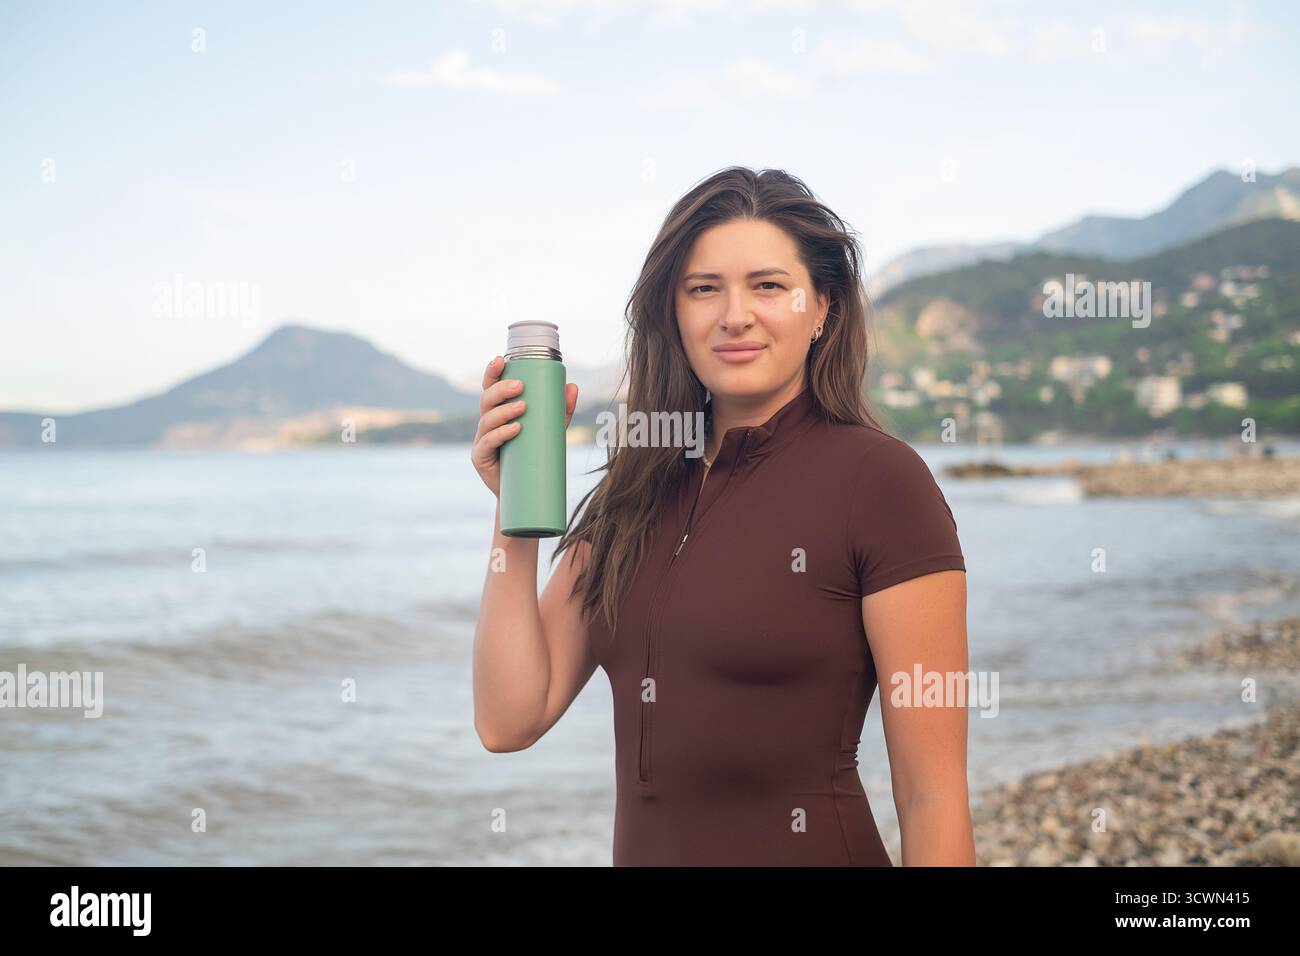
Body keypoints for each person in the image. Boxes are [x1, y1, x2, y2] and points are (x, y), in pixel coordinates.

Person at [470, 167, 974, 866]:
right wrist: (514, 513)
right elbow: (508, 719)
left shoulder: (882, 483)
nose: (733, 314)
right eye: (704, 289)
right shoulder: (633, 494)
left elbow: (934, 797)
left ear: (821, 306)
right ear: (673, 313)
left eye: (768, 286)